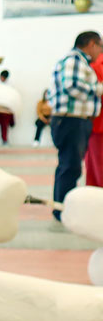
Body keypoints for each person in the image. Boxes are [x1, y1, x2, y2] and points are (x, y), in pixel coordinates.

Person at [48, 31, 103, 218]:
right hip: (71, 120)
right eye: (100, 47)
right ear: (92, 44)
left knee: (68, 165)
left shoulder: (77, 61)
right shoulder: (74, 60)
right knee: (70, 166)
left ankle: (61, 207)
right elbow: (71, 85)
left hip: (74, 121)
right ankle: (63, 211)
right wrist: (98, 89)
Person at [86, 52, 103, 187]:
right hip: (98, 124)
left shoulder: (93, 65)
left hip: (94, 124)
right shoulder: (96, 66)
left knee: (94, 166)